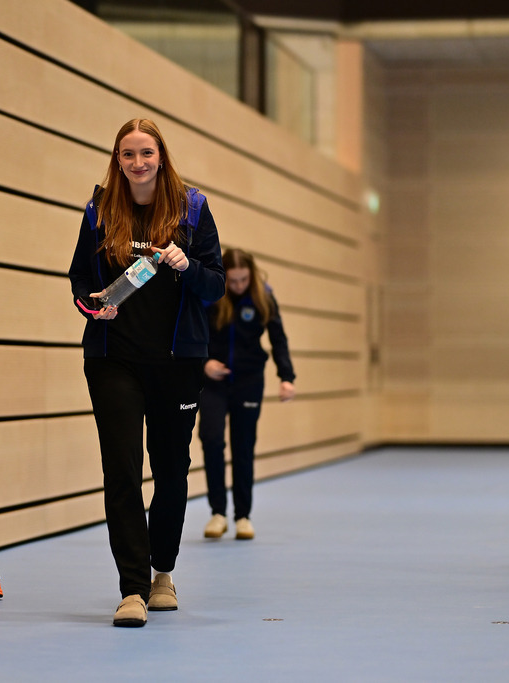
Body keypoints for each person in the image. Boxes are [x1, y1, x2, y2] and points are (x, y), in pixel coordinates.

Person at [68, 118, 225, 627]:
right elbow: (79, 280)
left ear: (161, 157)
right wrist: (94, 306)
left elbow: (215, 285)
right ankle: (132, 588)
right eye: (128, 154)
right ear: (117, 160)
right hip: (113, 360)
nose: (138, 163)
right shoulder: (99, 211)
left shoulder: (192, 209)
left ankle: (162, 574)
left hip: (177, 363)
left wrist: (187, 265)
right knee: (121, 470)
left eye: (146, 153)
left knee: (172, 471)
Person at [198, 248, 295, 541]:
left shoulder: (263, 297)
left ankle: (243, 516)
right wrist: (204, 364)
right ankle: (218, 512)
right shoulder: (210, 294)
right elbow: (193, 334)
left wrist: (286, 377)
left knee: (243, 446)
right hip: (213, 381)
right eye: (233, 281)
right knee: (211, 439)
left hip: (248, 381)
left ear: (251, 276)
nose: (239, 286)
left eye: (244, 280)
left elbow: (278, 338)